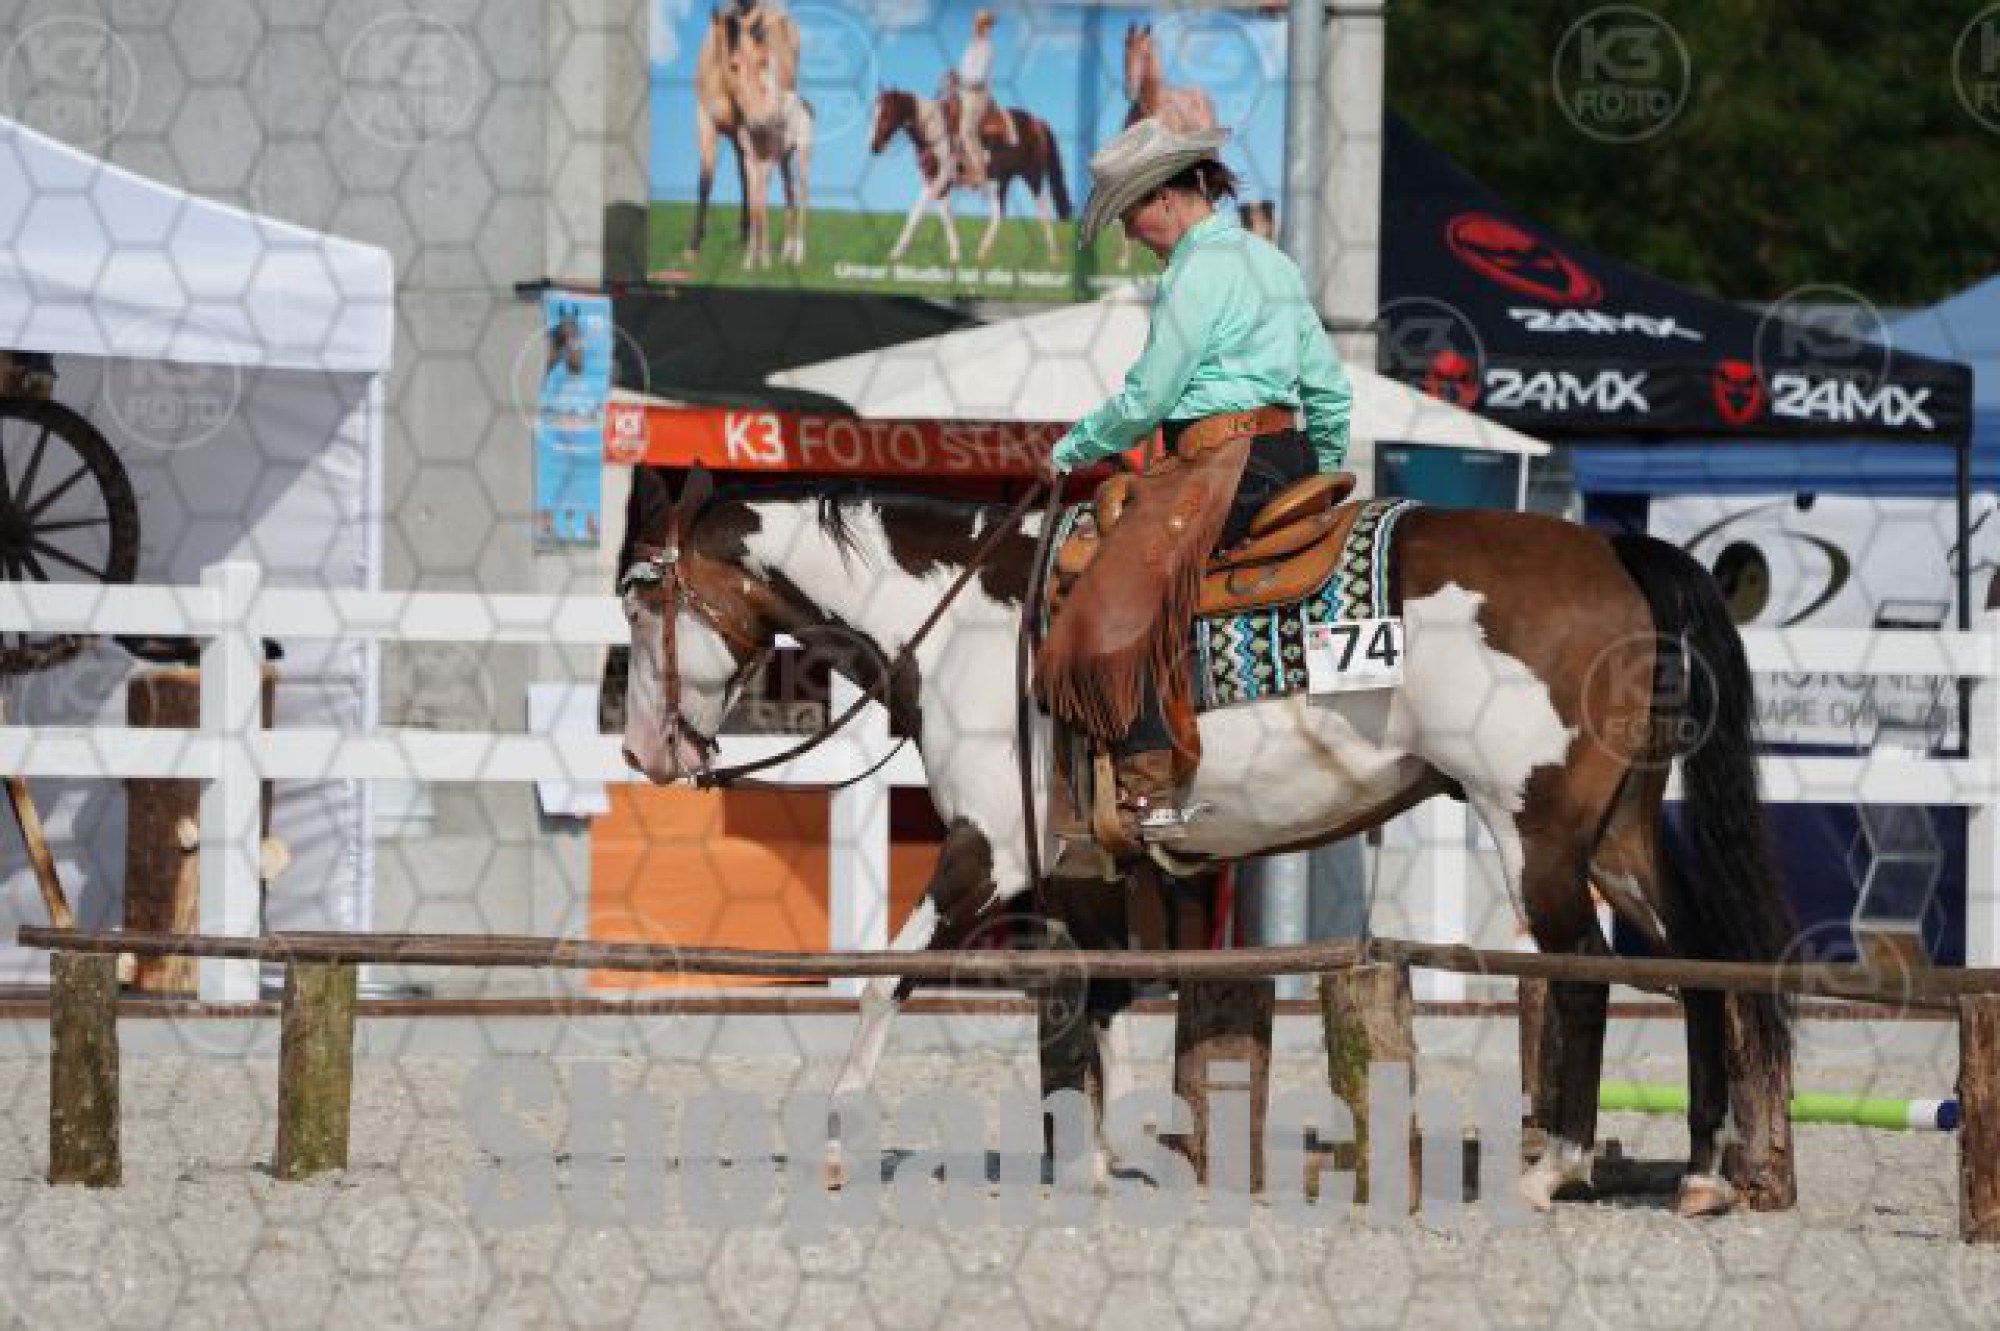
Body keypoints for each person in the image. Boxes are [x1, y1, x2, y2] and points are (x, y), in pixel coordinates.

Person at [1037, 118, 1353, 841]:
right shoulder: (1273, 263)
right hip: (1290, 457)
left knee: (1111, 588)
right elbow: (1329, 390)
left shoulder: (1194, 271)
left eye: (1129, 215)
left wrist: (1070, 449)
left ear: (1165, 196)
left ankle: (1147, 790)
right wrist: (1326, 475)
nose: (1130, 233)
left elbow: (1150, 395)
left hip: (1221, 463)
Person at [955, 8, 1015, 187]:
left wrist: (962, 79)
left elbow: (979, 76)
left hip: (977, 94)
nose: (979, 27)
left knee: (967, 130)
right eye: (977, 24)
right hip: (962, 91)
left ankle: (980, 173)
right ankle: (959, 167)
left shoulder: (987, 48)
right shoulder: (971, 45)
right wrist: (956, 76)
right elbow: (964, 68)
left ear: (988, 27)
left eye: (983, 24)